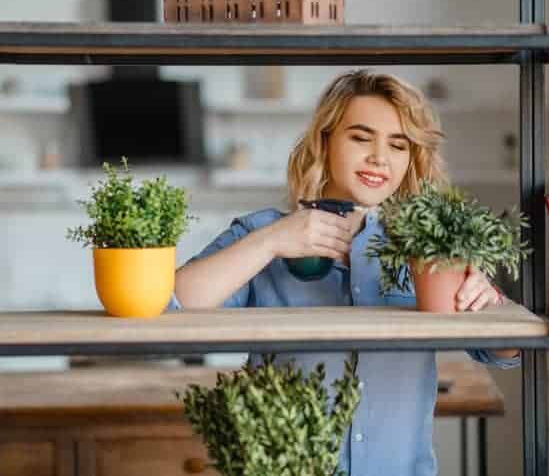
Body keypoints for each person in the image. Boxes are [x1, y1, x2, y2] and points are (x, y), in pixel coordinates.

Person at [172, 69, 520, 476]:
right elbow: (171, 302)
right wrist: (269, 243)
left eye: (398, 145)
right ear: (325, 141)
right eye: (360, 137)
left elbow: (504, 353)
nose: (379, 157)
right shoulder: (262, 233)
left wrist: (491, 302)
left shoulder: (428, 246)